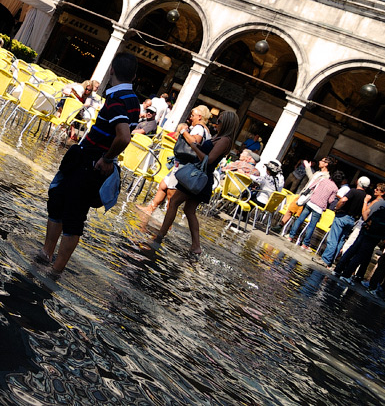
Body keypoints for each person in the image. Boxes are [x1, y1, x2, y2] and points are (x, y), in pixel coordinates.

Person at [38, 53, 140, 275]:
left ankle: (55, 268)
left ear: (111, 70)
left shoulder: (117, 100)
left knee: (73, 214)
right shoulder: (133, 100)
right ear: (133, 75)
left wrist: (107, 158)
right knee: (58, 201)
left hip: (90, 162)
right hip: (87, 160)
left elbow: (123, 136)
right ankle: (46, 254)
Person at [154, 110, 239, 255]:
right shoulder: (219, 138)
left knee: (174, 202)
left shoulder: (224, 140)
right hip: (200, 177)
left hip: (198, 176)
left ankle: (160, 236)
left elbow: (209, 160)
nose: (216, 123)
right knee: (188, 210)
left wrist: (194, 147)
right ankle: (195, 246)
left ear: (227, 124)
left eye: (219, 121)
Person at [144, 104, 211, 215]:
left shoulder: (199, 128)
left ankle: (167, 221)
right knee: (163, 185)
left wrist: (183, 131)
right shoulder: (205, 130)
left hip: (185, 163)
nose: (190, 117)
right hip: (183, 163)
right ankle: (151, 208)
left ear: (200, 116)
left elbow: (195, 142)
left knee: (172, 194)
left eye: (193, 115)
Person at [335, 187, 385, 284]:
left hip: (365, 229)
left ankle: (338, 270)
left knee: (353, 249)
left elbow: (365, 213)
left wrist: (367, 223)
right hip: (374, 234)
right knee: (361, 254)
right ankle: (346, 274)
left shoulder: (379, 202)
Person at [318, 176, 369, 267]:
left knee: (333, 238)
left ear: (358, 182)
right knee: (341, 240)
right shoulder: (365, 196)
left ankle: (325, 259)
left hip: (343, 216)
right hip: (353, 219)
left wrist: (337, 207)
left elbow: (343, 200)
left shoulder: (353, 191)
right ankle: (331, 261)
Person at [287, 169, 342, 250]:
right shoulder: (335, 188)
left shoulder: (322, 179)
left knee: (300, 219)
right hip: (319, 207)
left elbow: (311, 187)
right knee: (311, 225)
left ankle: (291, 236)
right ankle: (305, 244)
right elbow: (330, 200)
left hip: (310, 202)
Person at [278, 156, 336, 232]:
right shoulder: (318, 172)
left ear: (326, 164)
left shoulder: (326, 176)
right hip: (303, 194)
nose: (320, 162)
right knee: (290, 210)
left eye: (322, 161)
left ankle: (292, 232)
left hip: (310, 198)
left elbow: (312, 180)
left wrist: (308, 167)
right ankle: (279, 226)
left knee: (300, 217)